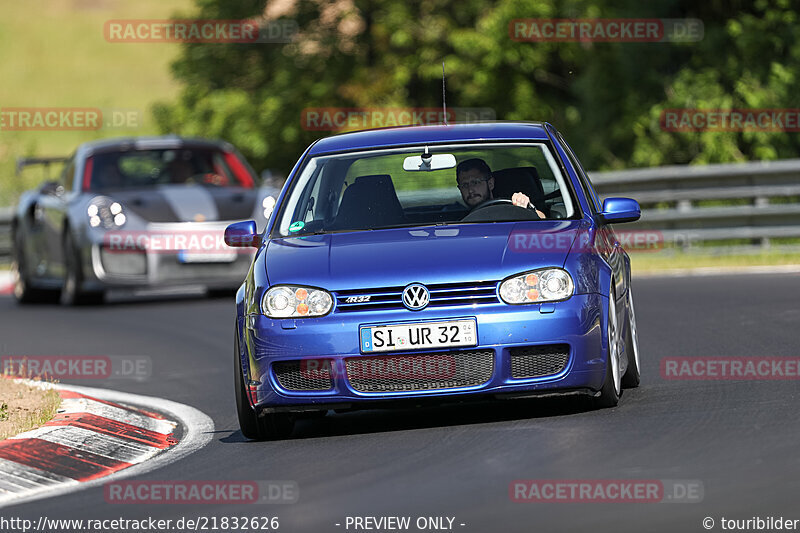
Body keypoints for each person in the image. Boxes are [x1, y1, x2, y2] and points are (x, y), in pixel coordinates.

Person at [456, 158, 545, 218]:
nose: (470, 190)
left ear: (490, 183)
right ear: (460, 189)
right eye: (464, 185)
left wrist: (526, 207)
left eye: (475, 182)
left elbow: (543, 219)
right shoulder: (455, 220)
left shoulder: (512, 208)